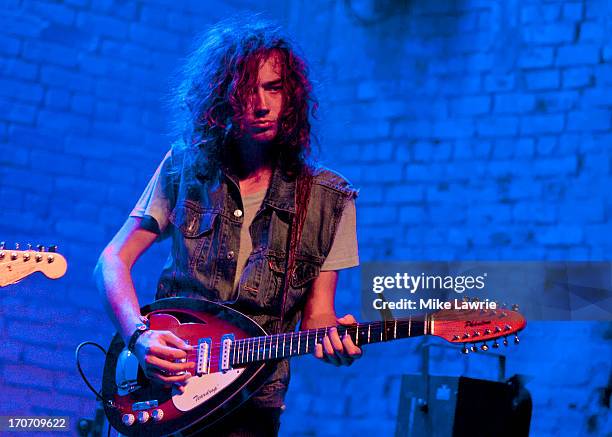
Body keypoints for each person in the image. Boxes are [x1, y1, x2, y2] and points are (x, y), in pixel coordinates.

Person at [95, 17, 361, 436]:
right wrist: (138, 336)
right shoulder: (185, 166)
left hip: (251, 409)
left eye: (273, 88)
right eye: (246, 90)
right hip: (165, 391)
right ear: (221, 101)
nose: (260, 104)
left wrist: (335, 342)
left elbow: (318, 319)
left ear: (291, 97)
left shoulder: (330, 199)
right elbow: (111, 260)